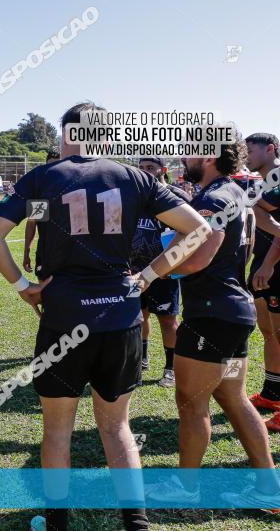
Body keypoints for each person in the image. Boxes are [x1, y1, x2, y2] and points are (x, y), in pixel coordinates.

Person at [0, 102, 210, 531]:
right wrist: (148, 275)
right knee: (117, 427)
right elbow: (198, 228)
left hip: (64, 318)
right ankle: (136, 523)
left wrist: (23, 287)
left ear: (67, 133)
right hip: (120, 319)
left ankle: (57, 522)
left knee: (57, 431)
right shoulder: (134, 175)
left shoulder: (45, 176)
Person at [147, 135, 280, 509]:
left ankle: (185, 487)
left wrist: (152, 272)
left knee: (191, 404)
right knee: (233, 399)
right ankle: (268, 487)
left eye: (190, 148)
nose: (183, 156)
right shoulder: (235, 192)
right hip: (231, 313)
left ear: (208, 154)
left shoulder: (213, 198)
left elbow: (196, 258)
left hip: (212, 316)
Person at [131, 157, 192, 388]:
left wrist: (175, 265)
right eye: (142, 168)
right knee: (139, 317)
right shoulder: (136, 195)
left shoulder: (176, 196)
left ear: (163, 170)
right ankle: (140, 360)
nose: (145, 172)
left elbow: (194, 232)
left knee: (168, 321)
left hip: (164, 271)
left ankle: (170, 368)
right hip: (136, 271)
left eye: (150, 168)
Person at [244, 133, 280, 431]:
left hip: (275, 266)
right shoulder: (265, 182)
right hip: (264, 264)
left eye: (250, 150)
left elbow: (258, 212)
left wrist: (268, 263)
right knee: (269, 332)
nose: (246, 155)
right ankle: (272, 394)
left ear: (270, 149)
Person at [22, 148, 61, 274]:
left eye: (58, 165)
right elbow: (32, 222)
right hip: (47, 252)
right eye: (51, 166)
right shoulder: (42, 192)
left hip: (72, 254)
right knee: (45, 289)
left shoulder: (74, 188)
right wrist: (26, 251)